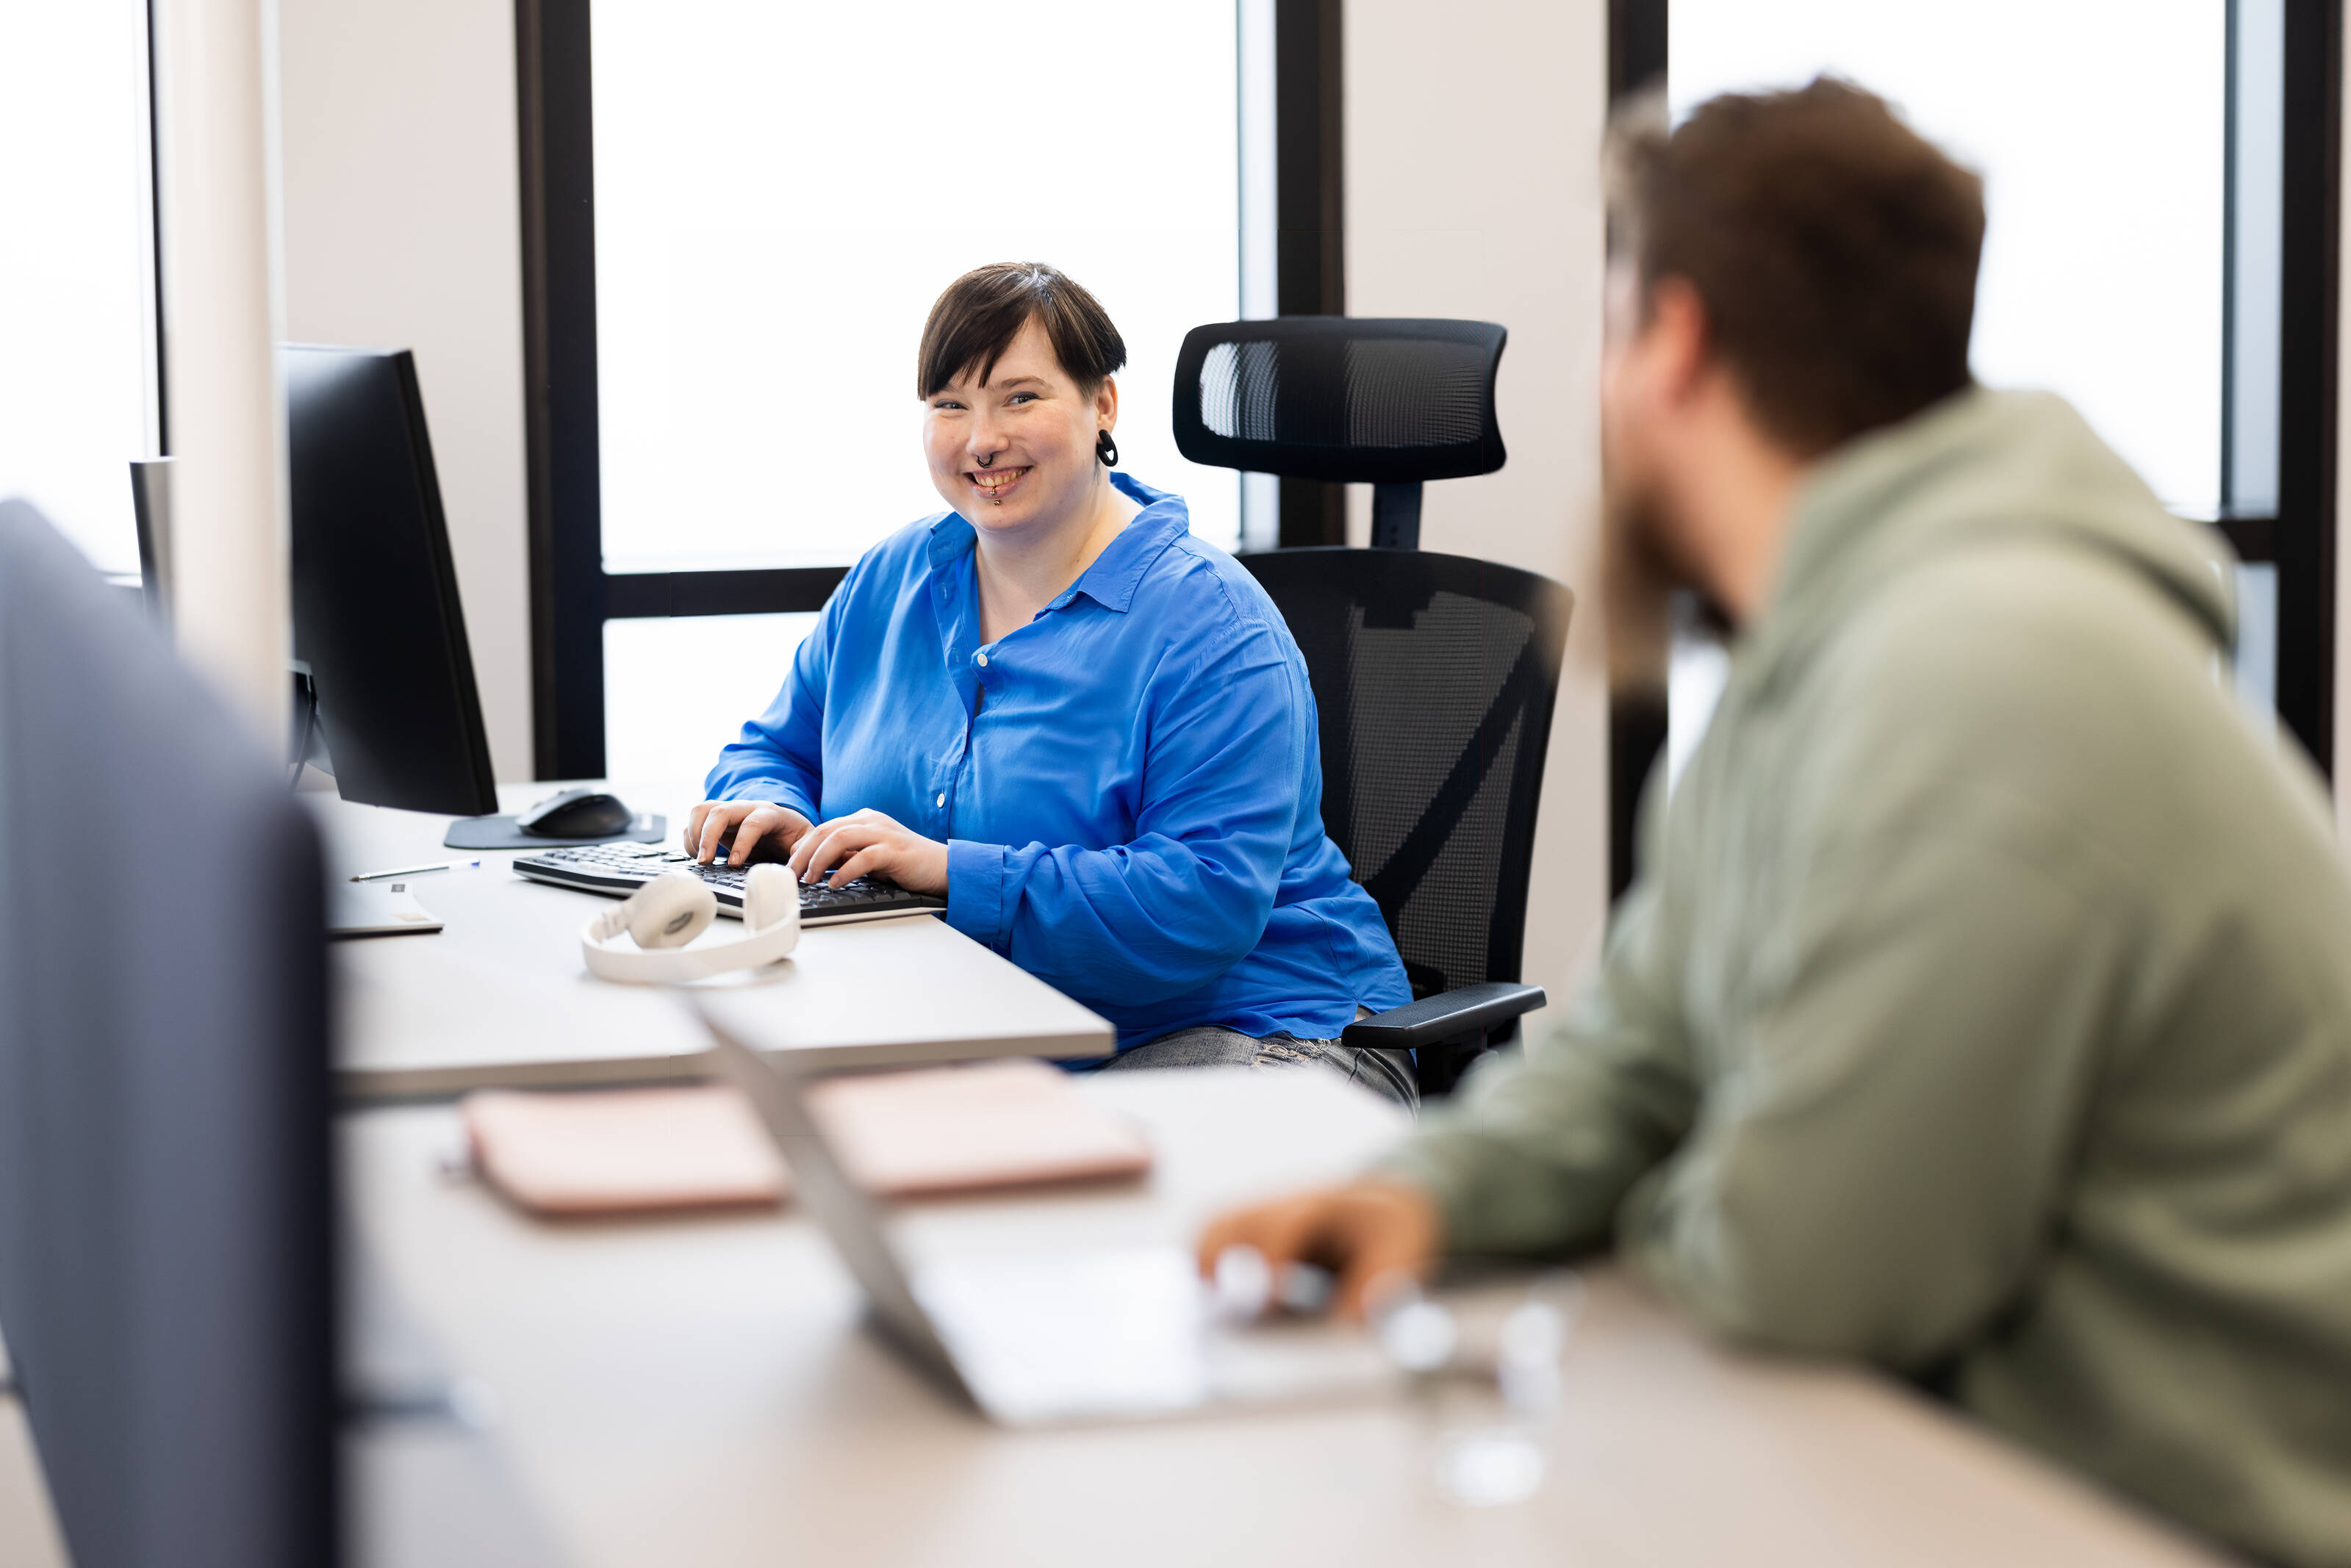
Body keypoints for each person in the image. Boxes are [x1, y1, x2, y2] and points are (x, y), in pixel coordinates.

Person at [1199, 80, 2351, 1567]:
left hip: (2142, 1513)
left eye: (1606, 325)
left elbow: (1814, 1267)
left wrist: (1562, 1280)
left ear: (1671, 341)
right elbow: (1641, 1055)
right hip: (1911, 1462)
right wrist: (1424, 1195)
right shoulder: (1802, 673)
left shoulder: (1985, 682)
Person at [688, 262, 1414, 1103]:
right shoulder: (894, 580)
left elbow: (1202, 904)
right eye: (949, 404)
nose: (980, 439)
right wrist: (768, 806)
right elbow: (774, 748)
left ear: (1103, 404)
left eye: (1020, 398)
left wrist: (952, 870)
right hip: (1008, 1039)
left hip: (1261, 1038)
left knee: (1008, 1197)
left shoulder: (1212, 625)